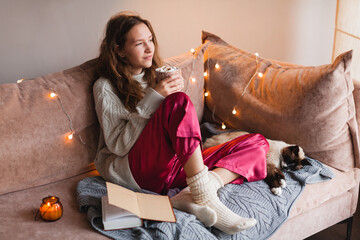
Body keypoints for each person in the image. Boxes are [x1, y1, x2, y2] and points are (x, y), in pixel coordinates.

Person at [93, 11, 269, 235]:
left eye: (150, 40)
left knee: (258, 143)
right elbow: (118, 145)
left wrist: (169, 92)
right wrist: (155, 98)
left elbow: (181, 129)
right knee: (179, 102)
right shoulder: (104, 87)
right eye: (139, 43)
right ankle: (204, 195)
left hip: (173, 165)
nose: (149, 49)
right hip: (135, 171)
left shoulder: (154, 75)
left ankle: (199, 189)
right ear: (119, 50)